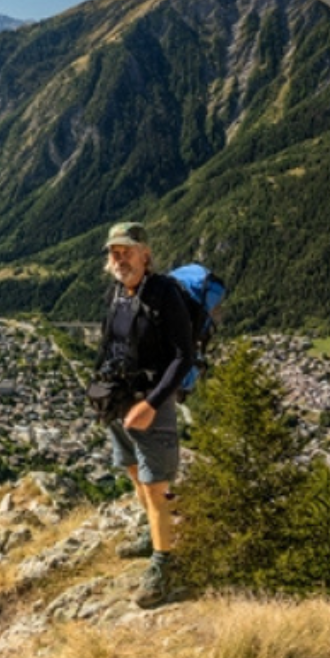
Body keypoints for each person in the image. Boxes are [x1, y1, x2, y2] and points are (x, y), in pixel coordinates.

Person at [93, 220, 195, 608]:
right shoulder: (117, 292)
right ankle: (153, 534)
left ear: (145, 254)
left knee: (157, 485)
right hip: (119, 401)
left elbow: (183, 356)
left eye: (127, 251)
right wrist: (99, 387)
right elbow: (109, 342)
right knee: (134, 470)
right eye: (113, 252)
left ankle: (165, 564)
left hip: (152, 403)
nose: (119, 258)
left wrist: (151, 404)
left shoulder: (164, 294)